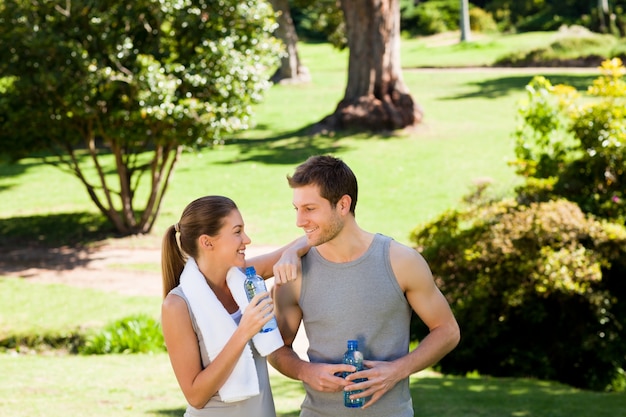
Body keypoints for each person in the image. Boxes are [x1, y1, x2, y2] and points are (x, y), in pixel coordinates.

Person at [268, 155, 461, 417]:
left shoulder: (400, 262)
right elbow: (277, 348)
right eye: (297, 209)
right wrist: (305, 371)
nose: (300, 221)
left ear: (343, 204)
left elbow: (447, 331)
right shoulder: (295, 271)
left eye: (310, 209)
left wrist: (397, 371)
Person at [160, 195, 308, 417]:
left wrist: (292, 252)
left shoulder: (243, 279)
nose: (246, 239)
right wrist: (243, 331)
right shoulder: (177, 305)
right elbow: (195, 396)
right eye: (237, 231)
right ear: (207, 242)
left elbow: (296, 247)